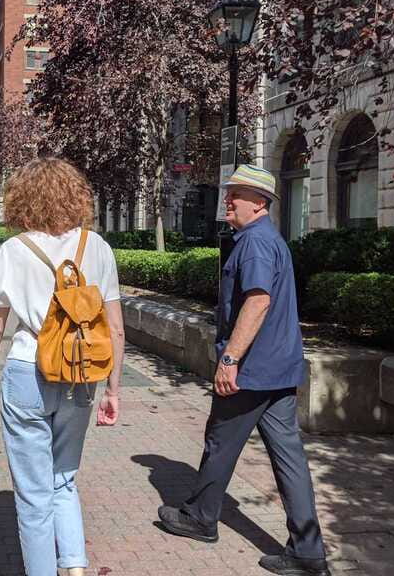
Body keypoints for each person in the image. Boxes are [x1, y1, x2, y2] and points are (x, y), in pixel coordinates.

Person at [157, 165, 331, 576]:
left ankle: (201, 518)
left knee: (220, 443)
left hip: (251, 371)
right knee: (289, 459)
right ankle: (308, 551)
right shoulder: (269, 239)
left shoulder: (253, 242)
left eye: (237, 194)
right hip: (279, 369)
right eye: (229, 191)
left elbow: (257, 302)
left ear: (260, 204)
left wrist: (230, 359)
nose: (228, 200)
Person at [0, 157, 125, 576]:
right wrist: (113, 389)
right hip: (82, 371)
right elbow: (115, 327)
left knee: (33, 492)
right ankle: (74, 567)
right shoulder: (98, 248)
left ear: (23, 199)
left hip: (28, 369)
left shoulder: (15, 250)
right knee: (63, 479)